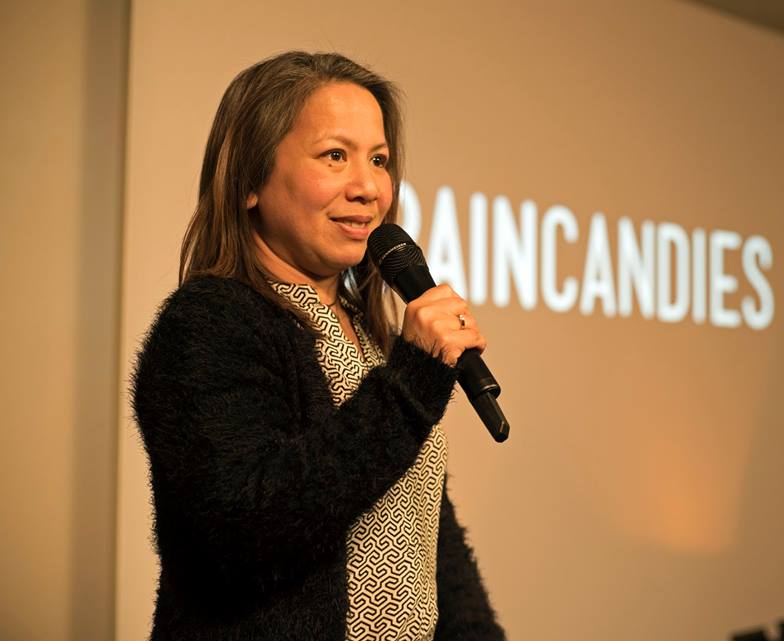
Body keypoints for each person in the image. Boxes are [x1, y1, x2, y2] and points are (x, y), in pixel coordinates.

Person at [132, 51, 505, 641]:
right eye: (335, 156)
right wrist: (410, 386)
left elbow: (433, 553)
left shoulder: (372, 335)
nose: (368, 188)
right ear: (250, 180)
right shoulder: (209, 324)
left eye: (378, 160)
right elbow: (243, 531)